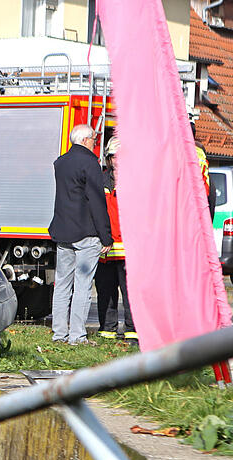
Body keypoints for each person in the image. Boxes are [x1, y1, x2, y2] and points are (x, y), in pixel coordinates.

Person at [48, 124, 114, 345]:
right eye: (94, 140)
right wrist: (106, 236)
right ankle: (77, 336)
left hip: (63, 232)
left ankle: (59, 334)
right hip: (86, 234)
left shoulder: (60, 163)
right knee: (83, 286)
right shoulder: (90, 163)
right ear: (86, 140)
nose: (95, 143)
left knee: (62, 286)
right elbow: (96, 202)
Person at [94, 136, 137, 342]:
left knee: (130, 293)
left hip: (129, 248)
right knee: (105, 290)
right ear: (108, 159)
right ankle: (107, 329)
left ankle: (132, 331)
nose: (117, 160)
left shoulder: (136, 182)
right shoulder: (101, 181)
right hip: (105, 247)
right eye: (114, 156)